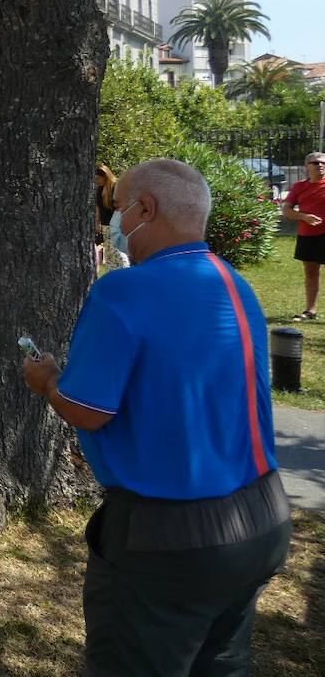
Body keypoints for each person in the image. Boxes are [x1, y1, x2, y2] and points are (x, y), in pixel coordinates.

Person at [22, 159, 292, 675]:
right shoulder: (234, 282)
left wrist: (48, 382)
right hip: (261, 515)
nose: (114, 222)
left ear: (146, 208)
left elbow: (88, 410)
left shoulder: (124, 291)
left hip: (169, 532)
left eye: (117, 208)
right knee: (221, 664)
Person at [283, 151, 325, 321]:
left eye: (323, 163)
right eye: (316, 163)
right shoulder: (299, 187)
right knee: (311, 272)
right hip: (308, 235)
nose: (320, 166)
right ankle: (310, 310)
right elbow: (286, 211)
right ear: (307, 166)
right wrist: (304, 217)